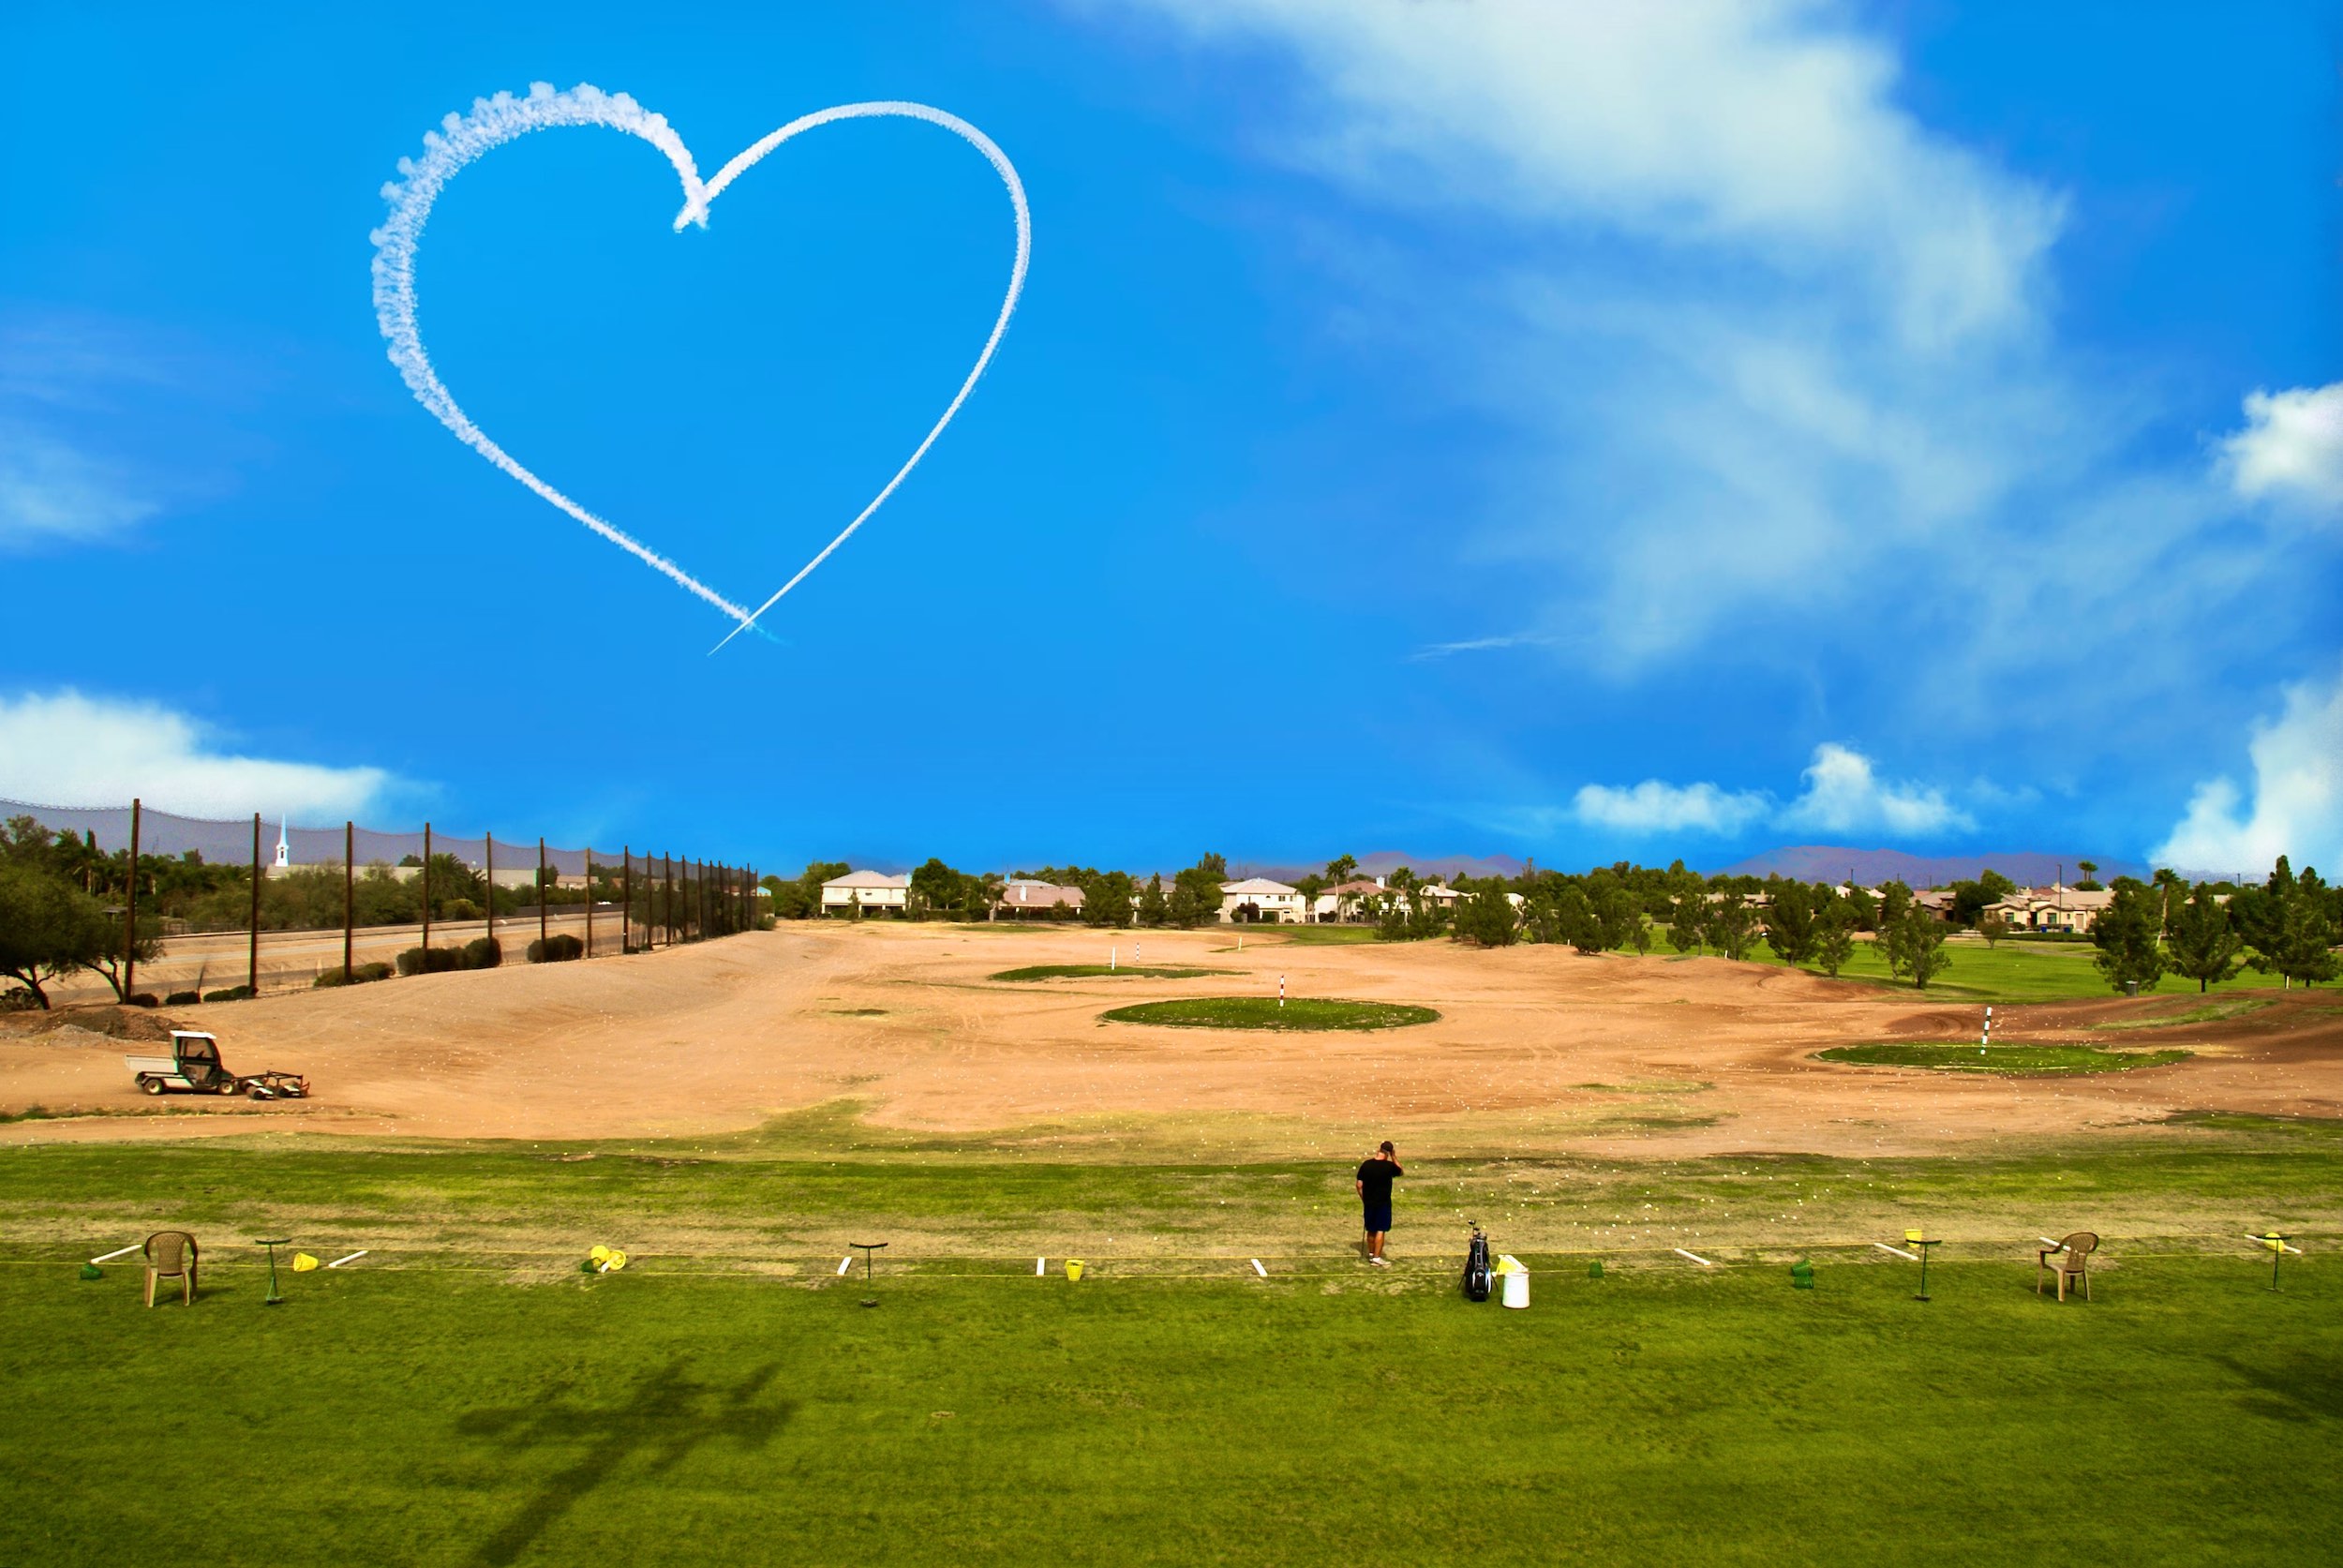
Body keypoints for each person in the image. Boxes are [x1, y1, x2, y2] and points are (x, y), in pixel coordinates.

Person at [1355, 1141, 1403, 1266]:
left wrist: (1364, 1199)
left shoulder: (1366, 1165)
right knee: (1381, 1229)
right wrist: (1394, 1156)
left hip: (1369, 1203)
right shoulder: (1388, 1166)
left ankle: (1371, 1254)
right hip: (1383, 1203)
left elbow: (1359, 1185)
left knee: (1371, 1229)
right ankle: (1377, 1258)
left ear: (1379, 1149)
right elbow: (1400, 1171)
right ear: (1388, 1153)